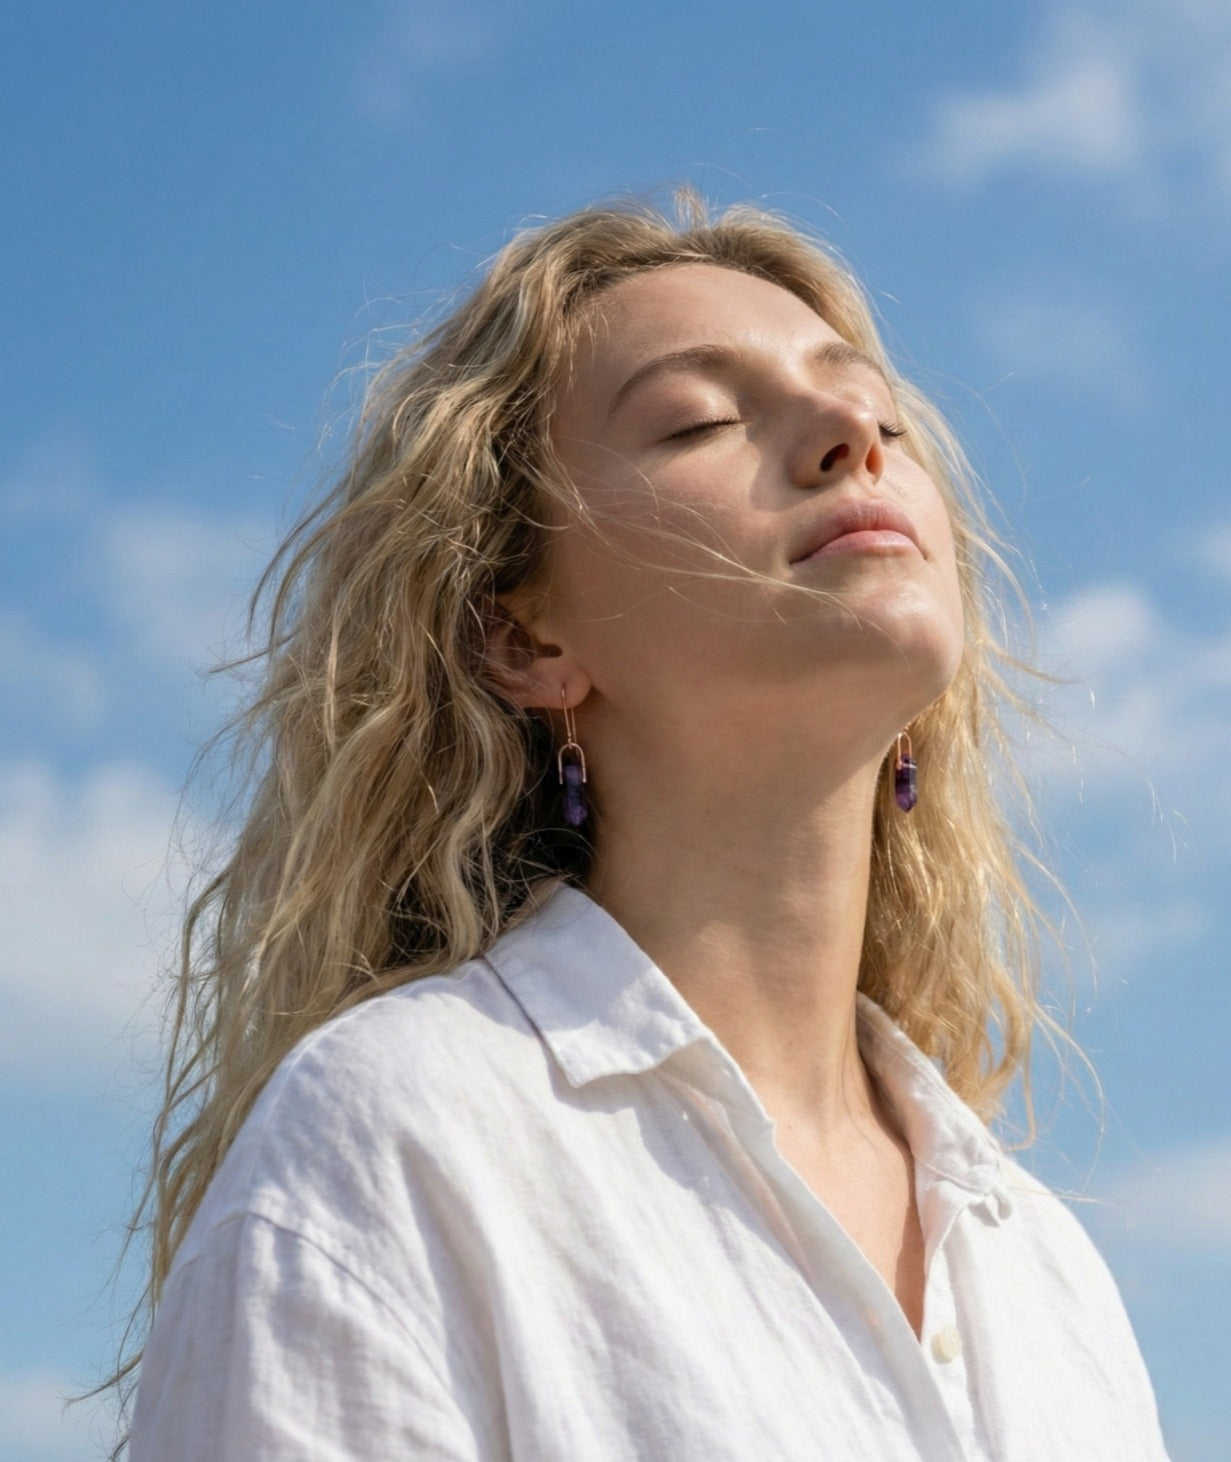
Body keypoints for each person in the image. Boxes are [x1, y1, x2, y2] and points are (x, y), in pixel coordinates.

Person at [120, 195, 1169, 1459]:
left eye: (881, 414)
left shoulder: (1046, 1270)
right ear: (524, 635)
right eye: (700, 420)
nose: (853, 432)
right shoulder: (401, 1142)